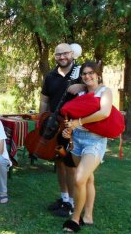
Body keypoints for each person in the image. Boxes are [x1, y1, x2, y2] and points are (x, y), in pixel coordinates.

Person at [61, 61, 112, 232]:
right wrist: (69, 130)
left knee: (79, 178)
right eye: (84, 74)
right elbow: (72, 114)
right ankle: (88, 215)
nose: (88, 76)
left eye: (91, 73)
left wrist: (80, 122)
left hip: (95, 140)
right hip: (77, 138)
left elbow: (104, 112)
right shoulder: (80, 92)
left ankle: (75, 219)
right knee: (88, 178)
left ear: (98, 74)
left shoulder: (106, 91)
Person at [39, 43, 84, 217]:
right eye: (58, 55)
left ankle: (72, 203)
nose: (62, 57)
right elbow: (44, 100)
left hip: (74, 127)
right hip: (55, 126)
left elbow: (96, 88)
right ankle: (64, 198)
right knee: (59, 160)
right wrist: (41, 121)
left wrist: (81, 86)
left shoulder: (81, 72)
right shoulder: (50, 76)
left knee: (70, 164)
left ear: (72, 54)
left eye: (65, 53)